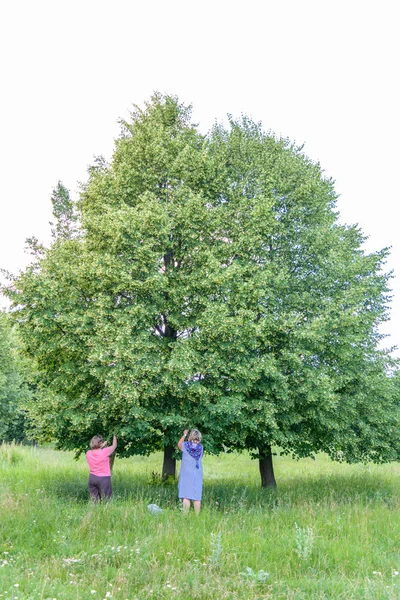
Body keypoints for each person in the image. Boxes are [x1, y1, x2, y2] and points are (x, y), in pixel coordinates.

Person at [178, 428, 203, 514]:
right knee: (197, 497)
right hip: (197, 474)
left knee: (186, 496)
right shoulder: (200, 448)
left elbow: (179, 444)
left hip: (186, 474)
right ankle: (197, 516)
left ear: (190, 437)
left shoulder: (185, 446)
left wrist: (185, 435)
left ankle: (185, 516)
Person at [86, 434, 117, 502]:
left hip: (92, 478)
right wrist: (115, 435)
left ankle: (94, 512)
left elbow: (96, 450)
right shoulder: (105, 451)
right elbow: (114, 446)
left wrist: (101, 446)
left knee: (94, 500)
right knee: (106, 500)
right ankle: (105, 512)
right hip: (103, 479)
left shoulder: (88, 453)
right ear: (100, 443)